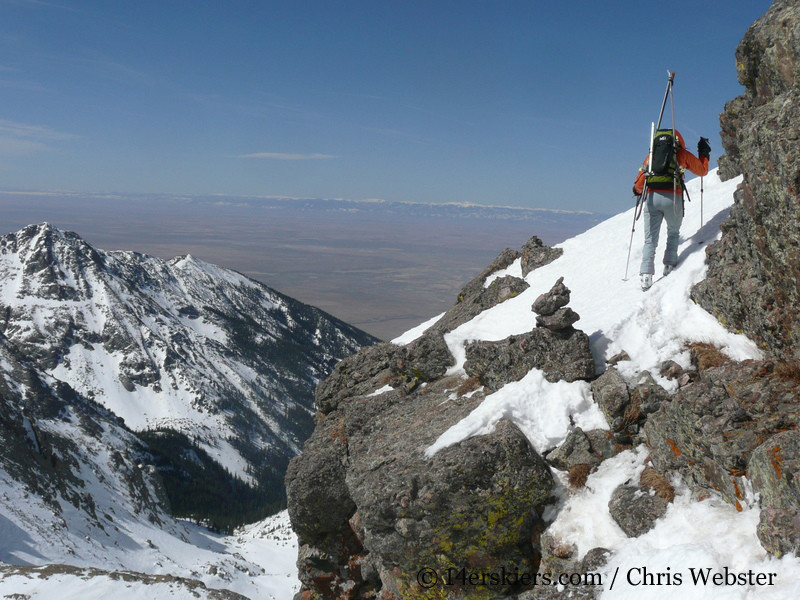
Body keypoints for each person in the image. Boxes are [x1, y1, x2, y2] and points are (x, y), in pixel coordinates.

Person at [632, 130, 710, 290]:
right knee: (673, 232)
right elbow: (702, 171)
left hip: (653, 199)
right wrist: (704, 153)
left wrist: (637, 190)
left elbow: (639, 183)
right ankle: (669, 265)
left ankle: (646, 275)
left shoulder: (652, 156)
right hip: (673, 198)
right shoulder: (682, 154)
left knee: (650, 239)